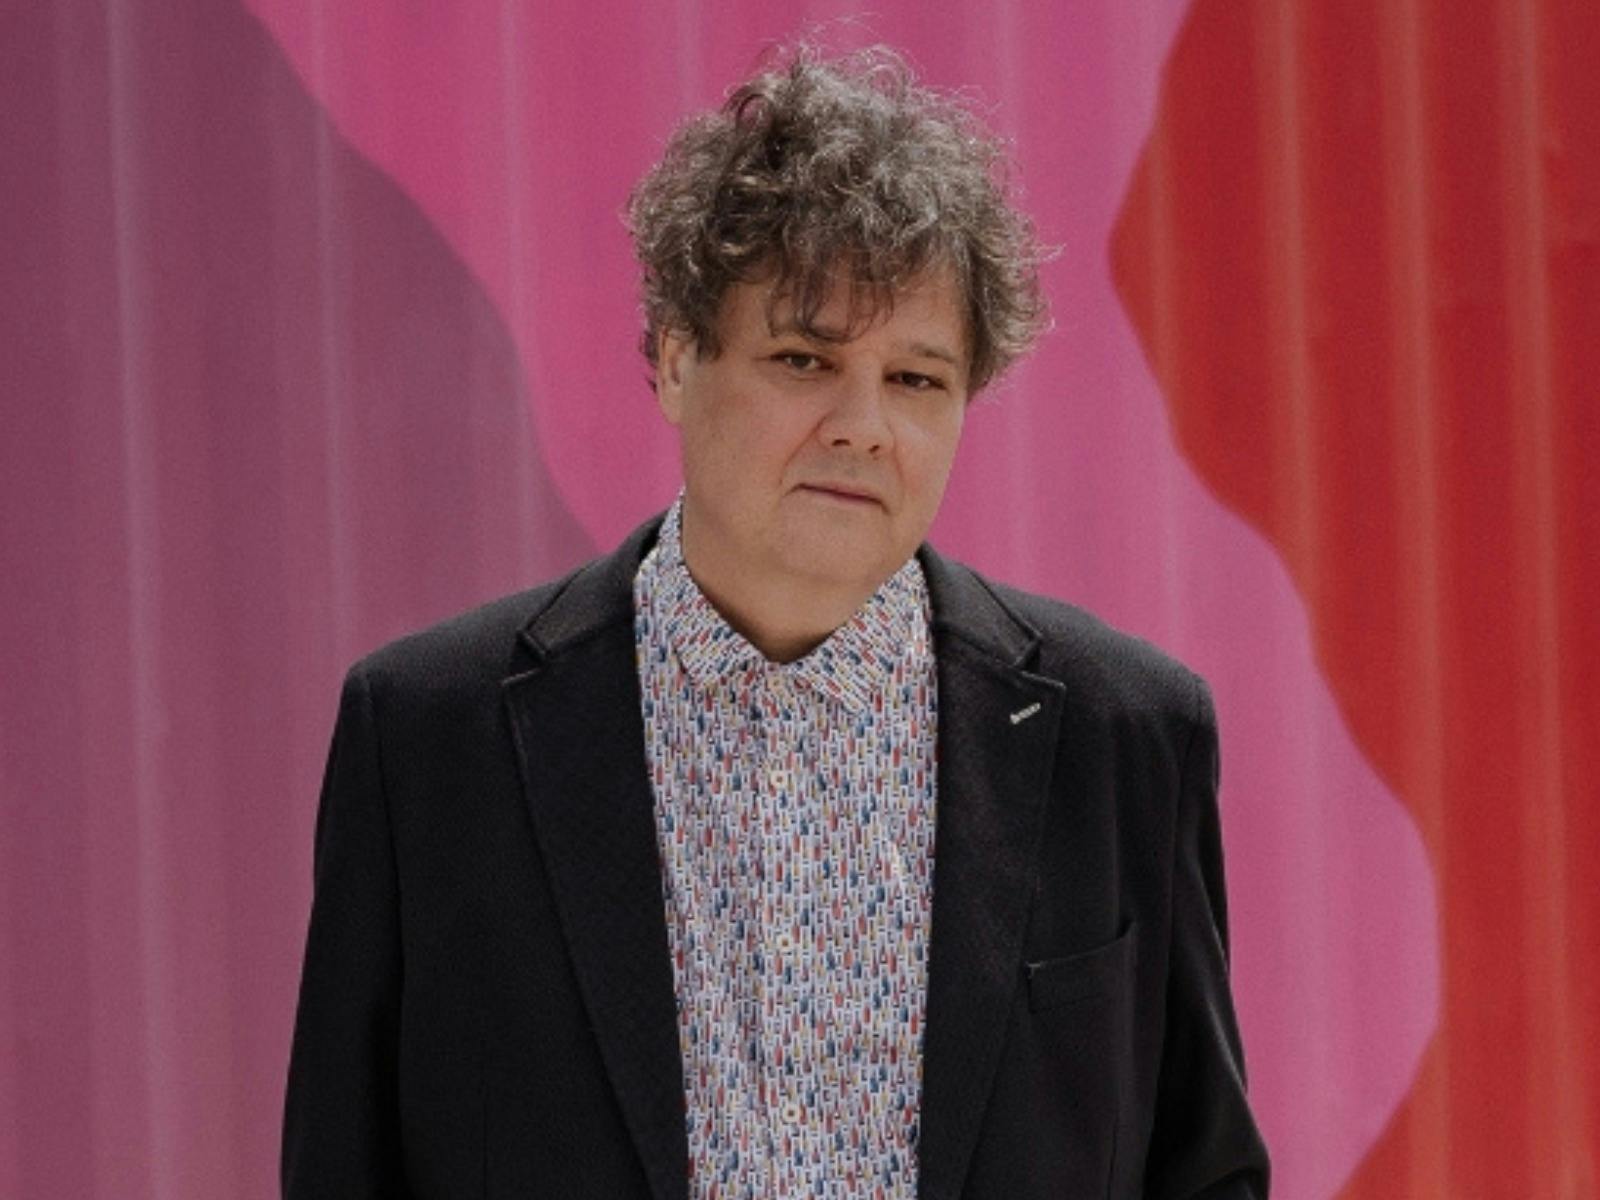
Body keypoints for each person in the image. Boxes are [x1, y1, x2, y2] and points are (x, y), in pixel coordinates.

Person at [281, 44, 1270, 1200]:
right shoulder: (426, 740)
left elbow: (1204, 1173)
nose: (863, 425)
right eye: (803, 358)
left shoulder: (1126, 738)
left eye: (916, 379)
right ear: (675, 359)